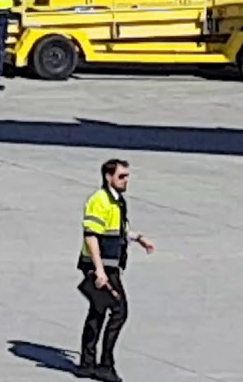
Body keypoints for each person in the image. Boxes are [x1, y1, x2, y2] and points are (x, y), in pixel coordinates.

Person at [77, 159, 155, 382]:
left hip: (110, 264)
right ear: (108, 176)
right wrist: (99, 271)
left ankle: (87, 363)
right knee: (119, 311)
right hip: (101, 266)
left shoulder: (117, 201)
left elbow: (120, 230)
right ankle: (105, 364)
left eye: (127, 176)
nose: (126, 180)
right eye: (122, 176)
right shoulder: (99, 200)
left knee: (98, 310)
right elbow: (91, 236)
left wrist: (139, 239)